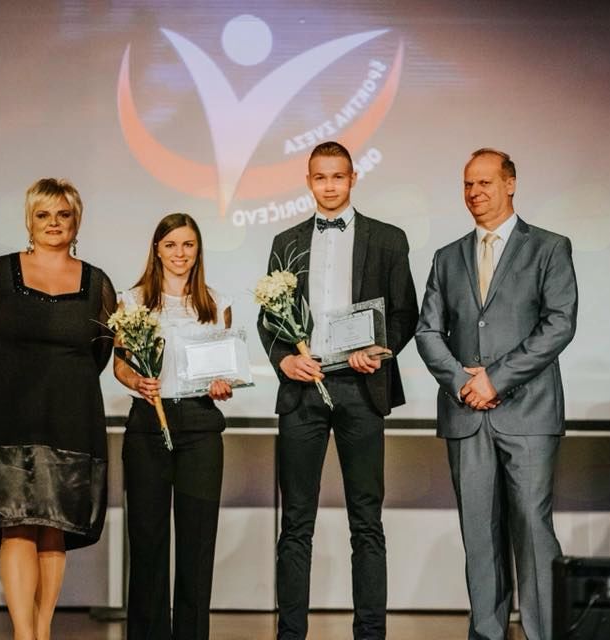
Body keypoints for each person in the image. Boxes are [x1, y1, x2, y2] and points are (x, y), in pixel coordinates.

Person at [257, 141, 419, 640]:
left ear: (353, 179)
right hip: (303, 388)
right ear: (309, 181)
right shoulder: (286, 241)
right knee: (295, 523)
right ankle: (290, 635)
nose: (329, 186)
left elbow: (404, 313)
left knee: (366, 522)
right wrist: (284, 359)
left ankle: (370, 635)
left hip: (361, 388)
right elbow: (269, 317)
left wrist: (378, 350)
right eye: (320, 177)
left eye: (338, 176)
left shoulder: (387, 238)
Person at [415, 148, 578, 640]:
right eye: (468, 184)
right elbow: (427, 331)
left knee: (532, 531)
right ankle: (486, 633)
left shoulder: (549, 247)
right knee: (480, 538)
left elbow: (559, 324)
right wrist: (463, 382)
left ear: (510, 184)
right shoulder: (447, 256)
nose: (474, 192)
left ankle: (543, 633)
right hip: (467, 416)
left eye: (484, 183)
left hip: (528, 413)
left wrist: (496, 378)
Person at [0, 178, 116, 640]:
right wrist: (4, 379)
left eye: (63, 215)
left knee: (54, 526)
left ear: (76, 222)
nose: (53, 223)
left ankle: (42, 629)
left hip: (71, 414)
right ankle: (24, 634)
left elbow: (102, 349)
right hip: (9, 413)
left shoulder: (97, 283)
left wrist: (66, 381)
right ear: (30, 221)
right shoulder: (0, 272)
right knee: (17, 523)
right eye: (43, 215)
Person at [115, 213, 233, 640]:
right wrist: (137, 381)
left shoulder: (217, 302)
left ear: (198, 250)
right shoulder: (131, 302)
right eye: (171, 245)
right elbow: (120, 365)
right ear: (157, 250)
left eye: (188, 244)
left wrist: (222, 383)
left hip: (200, 426)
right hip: (148, 425)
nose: (179, 253)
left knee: (197, 547)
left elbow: (225, 368)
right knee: (147, 543)